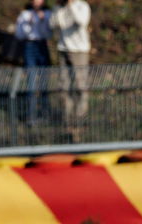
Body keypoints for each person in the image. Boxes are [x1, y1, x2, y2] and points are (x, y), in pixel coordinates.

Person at [51, 0, 91, 128]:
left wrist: (71, 6)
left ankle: (81, 118)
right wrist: (58, 9)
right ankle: (67, 119)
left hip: (79, 50)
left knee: (80, 84)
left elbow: (81, 21)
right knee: (64, 86)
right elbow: (53, 24)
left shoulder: (82, 6)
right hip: (63, 49)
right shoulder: (60, 7)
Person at [15, 0, 52, 123]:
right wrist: (28, 24)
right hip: (29, 46)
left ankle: (45, 114)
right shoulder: (24, 14)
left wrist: (42, 21)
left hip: (42, 46)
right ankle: (31, 115)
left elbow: (48, 34)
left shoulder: (47, 14)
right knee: (31, 81)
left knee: (44, 82)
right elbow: (19, 35)